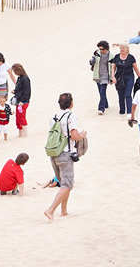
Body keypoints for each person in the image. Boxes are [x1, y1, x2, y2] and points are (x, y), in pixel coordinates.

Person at [43, 93, 86, 222]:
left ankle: (64, 211)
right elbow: (74, 135)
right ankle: (50, 210)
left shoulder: (54, 117)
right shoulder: (71, 116)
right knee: (67, 185)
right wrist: (82, 135)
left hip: (53, 153)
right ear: (71, 103)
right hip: (65, 153)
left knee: (64, 184)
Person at [110, 44, 140, 117]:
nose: (121, 49)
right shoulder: (116, 57)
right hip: (119, 78)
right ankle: (122, 111)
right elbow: (113, 68)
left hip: (129, 77)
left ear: (127, 49)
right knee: (120, 95)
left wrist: (139, 76)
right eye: (121, 48)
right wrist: (113, 77)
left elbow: (135, 68)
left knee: (128, 94)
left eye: (123, 48)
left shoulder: (131, 57)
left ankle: (129, 112)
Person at [90, 41, 112, 115]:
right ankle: (106, 104)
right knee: (101, 92)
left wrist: (111, 78)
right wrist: (92, 61)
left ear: (106, 48)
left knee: (102, 92)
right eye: (100, 49)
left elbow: (112, 67)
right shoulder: (97, 53)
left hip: (105, 76)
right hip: (98, 75)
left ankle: (101, 108)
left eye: (102, 49)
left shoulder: (111, 56)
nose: (101, 50)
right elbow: (91, 61)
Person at [11, 63, 31, 136]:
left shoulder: (25, 78)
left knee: (21, 116)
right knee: (18, 117)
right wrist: (15, 91)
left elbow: (27, 91)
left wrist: (22, 101)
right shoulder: (19, 78)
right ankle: (20, 134)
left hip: (23, 102)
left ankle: (25, 134)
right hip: (19, 101)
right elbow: (19, 89)